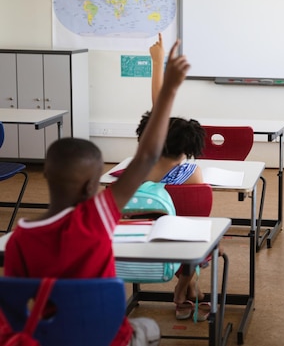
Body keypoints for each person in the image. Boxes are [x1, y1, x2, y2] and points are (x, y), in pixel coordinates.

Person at [4, 39, 190, 346]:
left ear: (46, 173)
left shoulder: (20, 238)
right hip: (107, 337)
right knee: (148, 328)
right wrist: (169, 90)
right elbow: (147, 157)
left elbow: (15, 304)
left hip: (48, 339)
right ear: (95, 185)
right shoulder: (96, 217)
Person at [142, 32, 209, 321]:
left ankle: (189, 287)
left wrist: (157, 63)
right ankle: (187, 283)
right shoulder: (193, 174)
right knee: (193, 234)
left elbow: (159, 105)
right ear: (189, 149)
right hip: (182, 244)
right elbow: (197, 230)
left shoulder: (140, 170)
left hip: (141, 240)